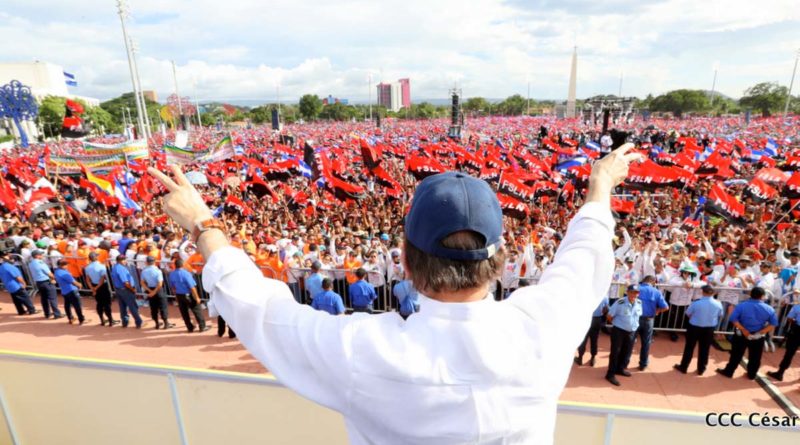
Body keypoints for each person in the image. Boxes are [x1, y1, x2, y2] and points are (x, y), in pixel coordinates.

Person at [148, 144, 637, 444]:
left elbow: (257, 306)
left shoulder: (363, 350)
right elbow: (585, 256)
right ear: (501, 261)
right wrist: (599, 188)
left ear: (405, 260)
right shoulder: (545, 325)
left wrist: (202, 223)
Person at [716, 287, 779, 380]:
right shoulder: (769, 308)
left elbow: (733, 319)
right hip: (758, 336)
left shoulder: (742, 305)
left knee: (736, 354)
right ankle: (752, 374)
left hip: (741, 334)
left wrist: (744, 330)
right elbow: (773, 324)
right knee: (755, 356)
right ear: (762, 296)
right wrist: (760, 332)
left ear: (750, 294)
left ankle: (729, 371)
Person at [674, 285, 723, 375]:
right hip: (709, 329)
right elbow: (720, 314)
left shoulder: (696, 303)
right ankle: (701, 369)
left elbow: (688, 314)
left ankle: (684, 367)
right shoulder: (718, 303)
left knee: (689, 347)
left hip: (694, 328)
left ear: (702, 292)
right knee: (705, 349)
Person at [605, 284, 643, 386]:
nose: (633, 295)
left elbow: (637, 317)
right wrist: (617, 325)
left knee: (627, 352)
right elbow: (609, 316)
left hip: (631, 332)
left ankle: (620, 369)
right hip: (619, 331)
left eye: (635, 293)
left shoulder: (639, 303)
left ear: (638, 294)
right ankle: (610, 374)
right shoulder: (620, 302)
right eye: (631, 292)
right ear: (627, 292)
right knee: (615, 352)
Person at [634, 276, 669, 370]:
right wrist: (657, 311)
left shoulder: (636, 288)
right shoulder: (656, 292)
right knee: (646, 343)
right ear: (653, 282)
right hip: (648, 320)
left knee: (629, 341)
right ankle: (643, 364)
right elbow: (665, 307)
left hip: (635, 319)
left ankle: (624, 363)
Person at [169, 258, 209, 333]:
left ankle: (189, 327)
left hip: (179, 295)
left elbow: (173, 287)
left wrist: (176, 296)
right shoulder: (186, 273)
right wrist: (197, 297)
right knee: (197, 310)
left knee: (184, 312)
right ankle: (202, 326)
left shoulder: (172, 274)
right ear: (183, 264)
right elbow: (192, 287)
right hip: (188, 295)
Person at [766, 302, 800, 381]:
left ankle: (780, 373)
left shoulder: (797, 306)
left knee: (789, 353)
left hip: (797, 331)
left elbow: (790, 318)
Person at [140, 256, 174, 329]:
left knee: (153, 307)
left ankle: (157, 323)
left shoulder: (144, 271)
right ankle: (166, 323)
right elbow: (160, 283)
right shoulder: (157, 271)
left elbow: (142, 283)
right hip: (158, 290)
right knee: (163, 306)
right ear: (154, 262)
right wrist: (154, 291)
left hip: (150, 289)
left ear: (147, 262)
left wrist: (150, 291)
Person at [84, 252, 117, 326]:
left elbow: (87, 280)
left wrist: (93, 288)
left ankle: (102, 320)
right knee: (107, 304)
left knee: (99, 303)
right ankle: (110, 320)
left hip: (94, 285)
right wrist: (96, 288)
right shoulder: (102, 266)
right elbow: (102, 279)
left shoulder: (87, 267)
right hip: (102, 287)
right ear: (96, 258)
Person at [110, 255, 143, 328]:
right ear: (120, 260)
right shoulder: (121, 269)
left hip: (119, 290)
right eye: (124, 260)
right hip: (126, 290)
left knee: (122, 307)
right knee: (133, 307)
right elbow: (126, 282)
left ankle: (124, 322)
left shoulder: (115, 267)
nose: (125, 261)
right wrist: (132, 289)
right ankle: (138, 322)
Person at [29, 249, 63, 319]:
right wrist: (54, 278)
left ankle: (47, 313)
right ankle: (57, 314)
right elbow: (49, 273)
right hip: (46, 282)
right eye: (40, 254)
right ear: (36, 256)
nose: (42, 255)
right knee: (52, 298)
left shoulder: (31, 263)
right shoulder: (41, 263)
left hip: (39, 282)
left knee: (44, 299)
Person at [575, 296, 608, 367]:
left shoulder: (586, 294)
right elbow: (606, 309)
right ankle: (593, 358)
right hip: (597, 319)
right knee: (594, 339)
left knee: (583, 339)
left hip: (585, 318)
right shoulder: (603, 295)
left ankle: (580, 357)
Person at [54, 259, 86, 324]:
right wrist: (80, 284)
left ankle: (70, 318)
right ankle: (81, 319)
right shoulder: (64, 273)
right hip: (71, 290)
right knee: (77, 305)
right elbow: (73, 282)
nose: (67, 266)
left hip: (64, 291)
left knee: (67, 305)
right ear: (61, 265)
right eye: (65, 265)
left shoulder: (57, 271)